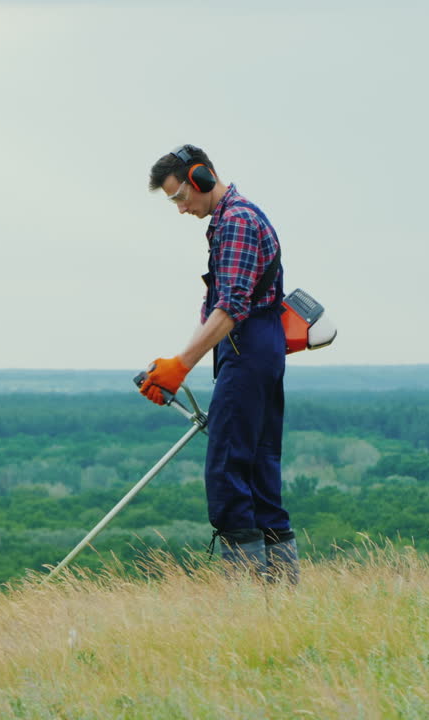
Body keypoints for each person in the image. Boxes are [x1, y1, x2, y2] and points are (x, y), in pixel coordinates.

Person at [141, 144, 298, 583]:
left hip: (248, 348)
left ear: (202, 178)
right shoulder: (231, 220)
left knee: (230, 467)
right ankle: (283, 601)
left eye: (179, 197)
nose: (180, 209)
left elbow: (230, 306)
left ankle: (247, 600)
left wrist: (180, 366)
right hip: (254, 348)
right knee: (257, 468)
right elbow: (223, 307)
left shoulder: (237, 222)